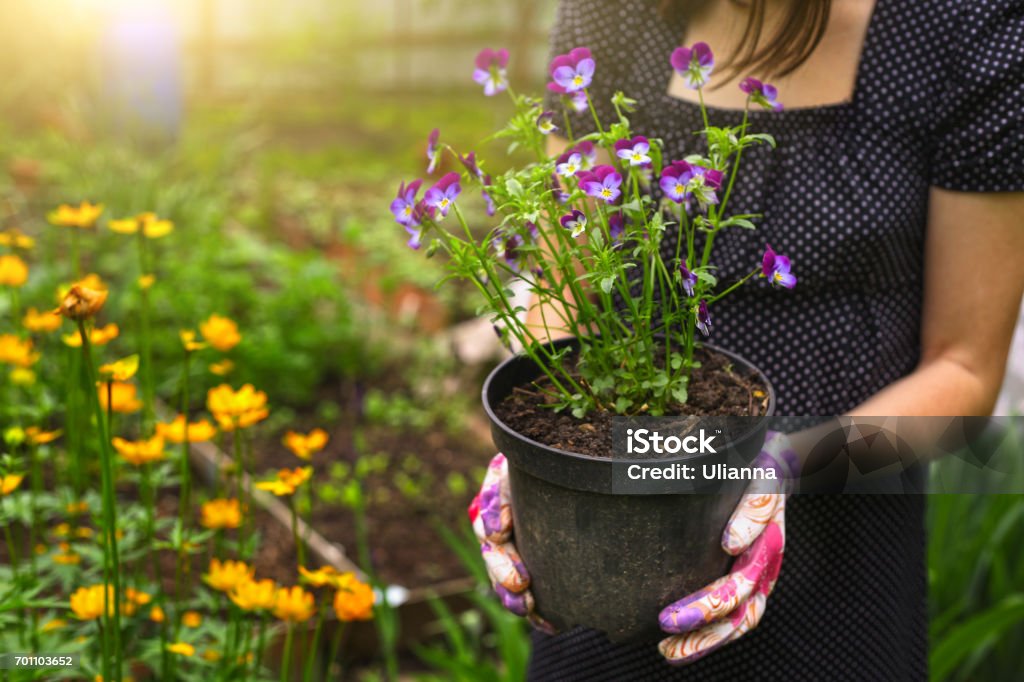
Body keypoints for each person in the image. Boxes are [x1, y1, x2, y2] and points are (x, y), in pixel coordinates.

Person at [468, 0, 1024, 679]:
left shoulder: (965, 28)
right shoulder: (615, 12)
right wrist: (531, 458)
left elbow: (965, 369)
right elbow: (564, 290)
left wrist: (779, 471)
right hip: (610, 549)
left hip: (839, 570)